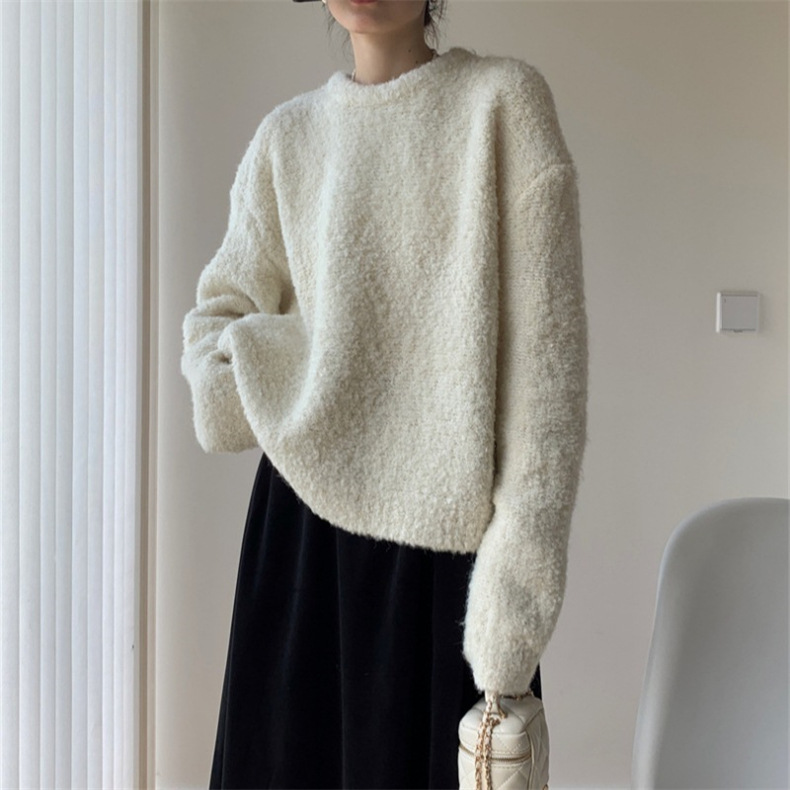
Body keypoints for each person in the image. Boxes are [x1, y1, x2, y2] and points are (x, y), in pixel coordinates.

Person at [179, 0, 589, 787]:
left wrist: (509, 627)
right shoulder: (288, 137)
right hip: (299, 546)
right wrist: (277, 371)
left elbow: (548, 393)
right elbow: (216, 318)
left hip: (444, 566)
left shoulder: (503, 106)